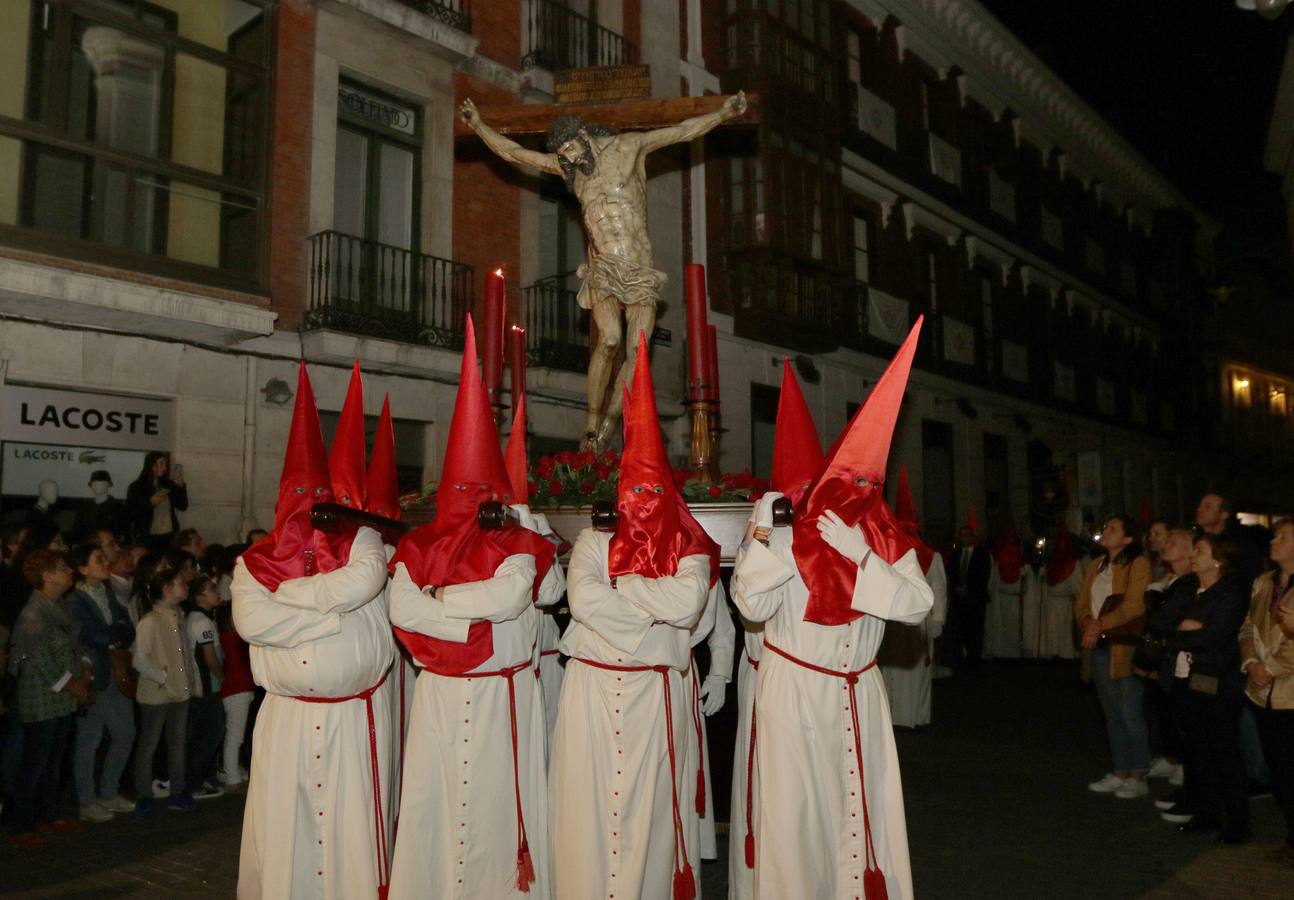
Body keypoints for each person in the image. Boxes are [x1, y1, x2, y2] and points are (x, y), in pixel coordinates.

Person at [732, 321, 933, 900]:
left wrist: (862, 554)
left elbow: (918, 605)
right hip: (795, 689)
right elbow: (749, 601)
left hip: (857, 693)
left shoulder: (879, 530)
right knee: (797, 821)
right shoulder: (778, 524)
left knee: (858, 814)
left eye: (869, 483)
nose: (861, 492)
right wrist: (782, 539)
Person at [461, 92, 747, 450]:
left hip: (640, 269)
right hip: (604, 267)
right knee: (609, 339)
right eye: (563, 154)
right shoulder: (571, 172)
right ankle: (592, 421)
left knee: (637, 350)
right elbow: (515, 153)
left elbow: (683, 131)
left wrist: (722, 113)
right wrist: (479, 125)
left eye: (571, 148)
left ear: (583, 136)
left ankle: (609, 425)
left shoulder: (629, 148)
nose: (569, 158)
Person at [387, 322, 561, 900]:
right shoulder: (417, 545)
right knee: (438, 801)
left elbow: (510, 598)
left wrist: (438, 600)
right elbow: (399, 607)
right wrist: (462, 611)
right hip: (438, 691)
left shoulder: (519, 543)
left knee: (494, 805)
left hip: (499, 693)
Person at [551, 333, 719, 900]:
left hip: (654, 694)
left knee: (648, 806)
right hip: (593, 691)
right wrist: (651, 607)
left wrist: (626, 588)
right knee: (587, 804)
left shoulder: (692, 546)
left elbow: (689, 605)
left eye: (654, 488)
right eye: (634, 489)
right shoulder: (596, 543)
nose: (643, 500)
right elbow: (584, 601)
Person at [232, 361, 397, 900]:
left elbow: (362, 583)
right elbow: (252, 622)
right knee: (287, 827)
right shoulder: (252, 560)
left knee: (349, 833)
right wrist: (328, 617)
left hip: (351, 715)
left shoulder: (362, 540)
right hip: (287, 717)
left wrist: (294, 597)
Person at [730, 356, 824, 900]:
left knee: (803, 796)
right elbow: (749, 603)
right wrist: (765, 529)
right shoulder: (760, 527)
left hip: (804, 677)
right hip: (763, 673)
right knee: (763, 788)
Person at [1166, 534, 1251, 842]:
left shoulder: (1230, 593)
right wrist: (1187, 629)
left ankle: (1238, 822)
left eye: (1199, 550)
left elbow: (1214, 637)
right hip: (1188, 679)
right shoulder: (1191, 588)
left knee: (1224, 751)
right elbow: (1163, 621)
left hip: (1218, 683)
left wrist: (1185, 631)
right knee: (1198, 750)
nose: (1193, 555)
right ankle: (1208, 814)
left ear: (1218, 560)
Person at [9, 550, 88, 848]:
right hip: (42, 697)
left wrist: (84, 673)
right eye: (63, 568)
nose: (69, 571)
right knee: (35, 763)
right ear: (47, 576)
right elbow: (39, 661)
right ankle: (22, 825)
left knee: (53, 761)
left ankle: (48, 814)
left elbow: (73, 644)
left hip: (61, 696)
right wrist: (75, 686)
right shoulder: (34, 612)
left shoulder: (58, 606)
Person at [1078, 514, 1152, 799]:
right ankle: (1120, 770)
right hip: (1097, 643)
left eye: (1112, 528)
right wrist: (1087, 622)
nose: (1105, 531)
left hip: (1123, 645)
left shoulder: (1137, 563)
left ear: (1128, 538)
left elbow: (1134, 605)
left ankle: (1139, 771)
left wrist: (1099, 626)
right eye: (1105, 526)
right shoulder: (1095, 566)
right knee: (1111, 712)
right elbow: (1082, 602)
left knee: (1130, 709)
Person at [63, 543, 136, 823]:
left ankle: (109, 791)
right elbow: (93, 635)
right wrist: (113, 634)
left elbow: (126, 628)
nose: (105, 563)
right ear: (82, 568)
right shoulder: (75, 601)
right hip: (93, 674)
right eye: (98, 559)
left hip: (116, 672)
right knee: (89, 741)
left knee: (125, 734)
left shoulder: (107, 592)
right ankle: (87, 800)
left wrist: (113, 633)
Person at [1240, 518, 1294, 862]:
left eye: (1284, 537)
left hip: (1290, 688)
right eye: (1275, 535)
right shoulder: (1263, 582)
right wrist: (1251, 665)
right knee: (1280, 766)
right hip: (1263, 691)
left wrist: (1270, 667)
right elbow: (1246, 628)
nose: (1274, 540)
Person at [880, 465, 948, 729]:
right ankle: (894, 716)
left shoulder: (932, 557)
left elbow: (938, 592)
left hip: (919, 621)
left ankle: (915, 717)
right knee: (894, 672)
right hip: (894, 621)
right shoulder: (888, 553)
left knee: (915, 672)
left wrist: (937, 623)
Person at [133, 567, 197, 814]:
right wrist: (163, 676)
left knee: (177, 742)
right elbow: (139, 659)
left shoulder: (177, 616)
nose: (186, 586)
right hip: (157, 692)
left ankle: (178, 790)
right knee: (149, 743)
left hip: (179, 690)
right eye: (181, 583)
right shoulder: (150, 621)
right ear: (167, 589)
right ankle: (143, 794)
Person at [185, 575, 225, 800]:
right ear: (200, 597)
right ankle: (194, 782)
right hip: (207, 687)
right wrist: (223, 678)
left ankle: (202, 778)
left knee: (204, 735)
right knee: (210, 734)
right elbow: (209, 658)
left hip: (203, 687)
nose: (217, 593)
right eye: (211, 589)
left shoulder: (199, 618)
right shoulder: (202, 622)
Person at [216, 590, 253, 788]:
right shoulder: (233, 637)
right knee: (235, 736)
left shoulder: (229, 637)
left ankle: (233, 770)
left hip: (239, 688)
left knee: (235, 734)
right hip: (237, 689)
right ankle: (232, 776)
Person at [946, 512, 992, 670]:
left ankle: (975, 662)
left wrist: (969, 589)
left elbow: (983, 575)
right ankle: (962, 661)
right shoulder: (955, 554)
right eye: (962, 535)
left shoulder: (982, 554)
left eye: (967, 535)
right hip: (959, 600)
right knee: (961, 631)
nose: (964, 538)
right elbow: (951, 574)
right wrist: (957, 588)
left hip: (976, 599)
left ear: (972, 537)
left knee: (976, 631)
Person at [1195, 493, 1267, 584]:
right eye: (1199, 506)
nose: (1199, 510)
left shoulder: (1240, 542)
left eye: (1207, 507)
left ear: (1224, 514)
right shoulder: (1197, 540)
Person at [126, 452, 188, 549]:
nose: (164, 468)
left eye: (165, 464)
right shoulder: (137, 487)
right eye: (161, 464)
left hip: (169, 535)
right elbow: (131, 513)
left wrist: (180, 484)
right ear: (152, 466)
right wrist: (150, 503)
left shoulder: (167, 485)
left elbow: (183, 505)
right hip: (148, 537)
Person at [984, 522, 1025, 659]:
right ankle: (1007, 653)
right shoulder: (1000, 557)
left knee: (1010, 626)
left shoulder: (1010, 556)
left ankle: (1011, 653)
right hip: (1004, 595)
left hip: (1010, 596)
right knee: (1005, 626)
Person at [1039, 528, 1082, 659]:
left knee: (1062, 630)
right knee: (1055, 630)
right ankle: (1057, 652)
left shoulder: (1073, 564)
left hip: (1065, 603)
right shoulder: (1051, 564)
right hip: (1055, 603)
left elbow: (1078, 587)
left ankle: (1064, 653)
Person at [73, 470, 128, 540]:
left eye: (102, 483)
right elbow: (77, 532)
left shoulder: (118, 508)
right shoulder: (84, 508)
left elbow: (123, 534)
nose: (98, 486)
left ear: (108, 485)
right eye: (95, 483)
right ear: (91, 485)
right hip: (88, 546)